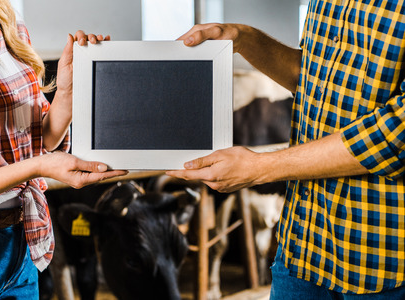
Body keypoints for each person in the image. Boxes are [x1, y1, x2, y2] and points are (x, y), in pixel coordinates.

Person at [167, 0, 405, 299]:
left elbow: (398, 132)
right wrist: (244, 38)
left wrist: (259, 168)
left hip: (382, 260)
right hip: (302, 247)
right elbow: (310, 77)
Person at [0, 0, 127, 298]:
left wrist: (68, 90)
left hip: (23, 236)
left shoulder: (5, 21)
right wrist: (38, 167)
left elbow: (41, 138)